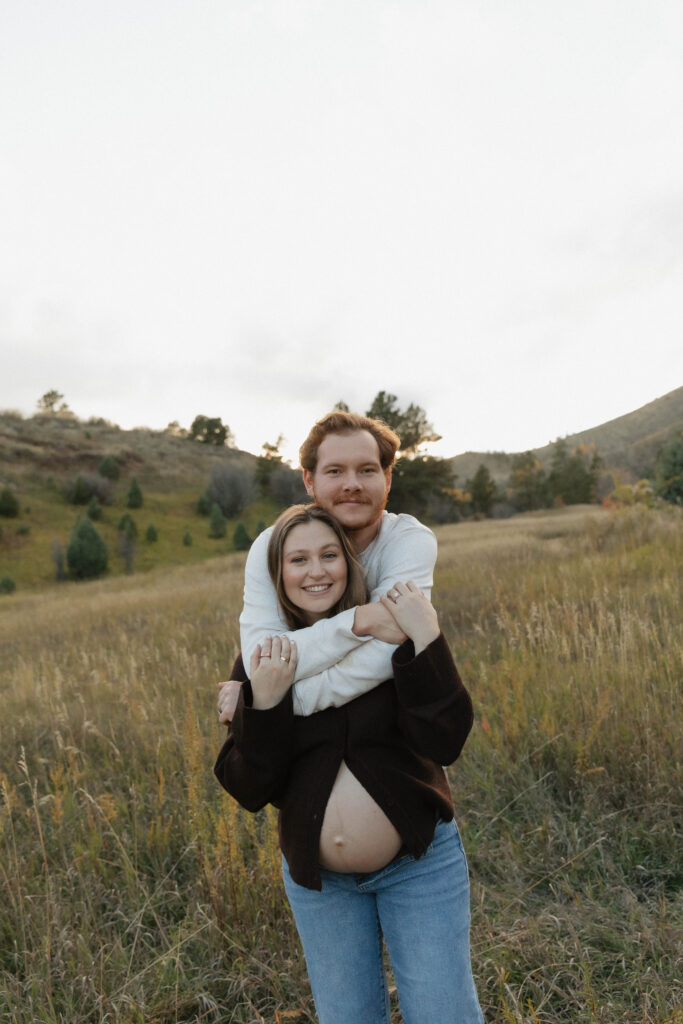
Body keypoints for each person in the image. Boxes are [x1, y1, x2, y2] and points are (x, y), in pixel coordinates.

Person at [214, 504, 484, 1024]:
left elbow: (446, 739)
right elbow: (248, 787)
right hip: (322, 887)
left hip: (418, 865)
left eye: (329, 555)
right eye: (298, 560)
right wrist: (264, 704)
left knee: (444, 1014)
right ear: (278, 575)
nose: (315, 571)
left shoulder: (392, 630)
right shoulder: (264, 659)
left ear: (348, 561)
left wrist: (427, 640)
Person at [218, 410, 438, 723]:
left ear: (387, 479)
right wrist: (359, 622)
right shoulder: (272, 546)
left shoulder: (409, 541)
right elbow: (261, 661)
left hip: (386, 732)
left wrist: (270, 699)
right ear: (309, 480)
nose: (352, 484)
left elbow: (388, 651)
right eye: (335, 471)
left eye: (367, 470)